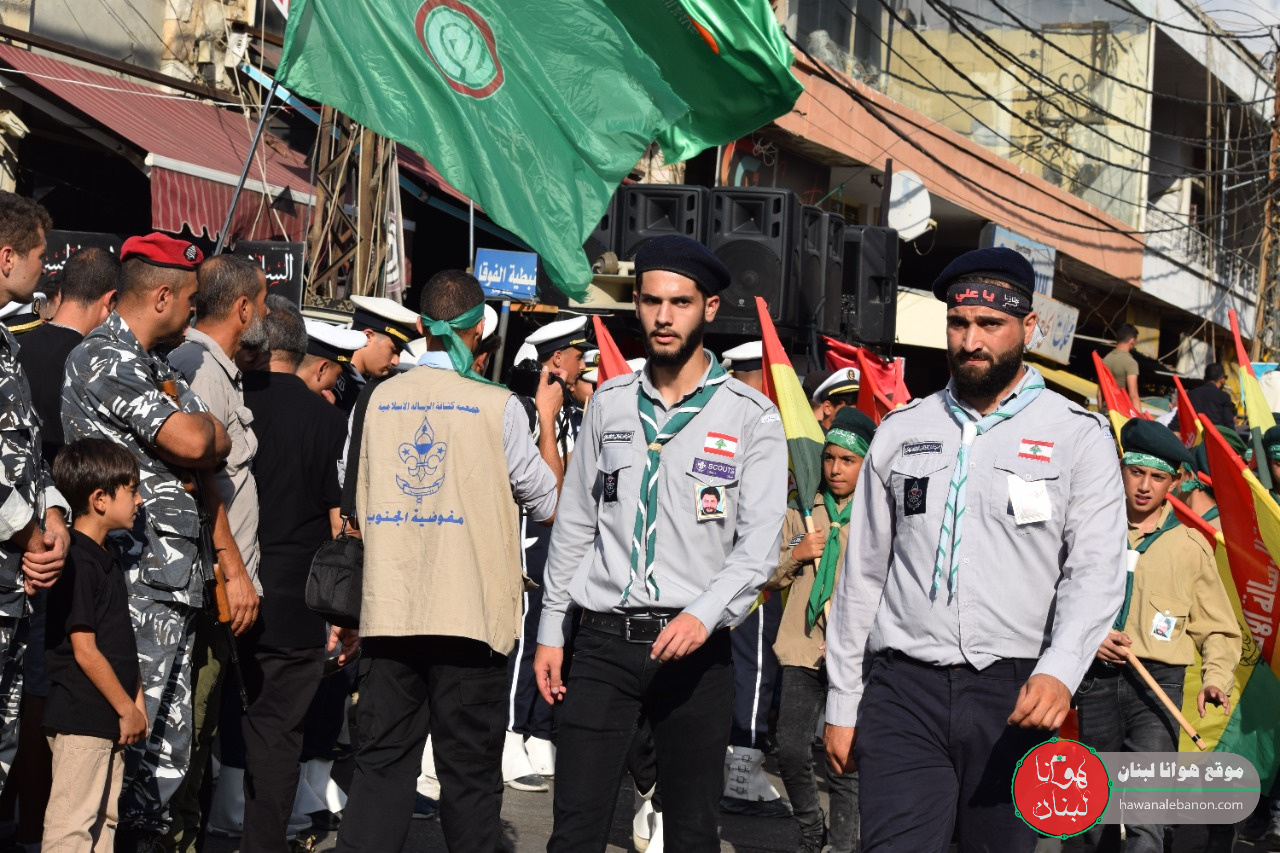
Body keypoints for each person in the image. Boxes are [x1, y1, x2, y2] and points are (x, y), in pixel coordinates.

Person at [822, 247, 1128, 852]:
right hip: (903, 691)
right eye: (958, 323)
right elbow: (863, 576)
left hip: (1015, 695)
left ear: (1028, 327)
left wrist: (1060, 672)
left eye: (990, 324)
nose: (971, 341)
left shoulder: (1078, 435)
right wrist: (843, 699)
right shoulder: (902, 429)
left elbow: (1094, 572)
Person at [534, 234, 788, 851]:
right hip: (602, 641)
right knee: (574, 827)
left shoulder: (751, 416)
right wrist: (550, 628)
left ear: (709, 307)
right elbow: (576, 523)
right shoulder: (609, 403)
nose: (664, 316)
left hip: (695, 650)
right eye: (651, 301)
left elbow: (757, 549)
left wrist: (704, 614)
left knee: (692, 832)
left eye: (680, 302)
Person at [335, 269, 562, 853]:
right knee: (470, 780)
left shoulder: (374, 400)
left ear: (419, 326)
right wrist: (546, 423)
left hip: (390, 612)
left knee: (381, 770)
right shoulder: (499, 406)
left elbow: (349, 493)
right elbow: (548, 503)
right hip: (471, 619)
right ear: (480, 329)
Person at [61, 232, 236, 849]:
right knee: (131, 745)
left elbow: (217, 440)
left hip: (172, 581)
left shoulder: (156, 367)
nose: (194, 313)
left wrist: (205, 435)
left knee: (168, 748)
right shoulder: (103, 358)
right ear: (162, 296)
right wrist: (203, 436)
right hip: (134, 582)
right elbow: (194, 441)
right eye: (190, 300)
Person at [1072, 419, 1240, 853]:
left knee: (1145, 816)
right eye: (1136, 472)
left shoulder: (1190, 546)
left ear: (1175, 483)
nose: (1145, 486)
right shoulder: (1087, 531)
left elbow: (1219, 627)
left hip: (1159, 689)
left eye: (1158, 477)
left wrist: (1215, 679)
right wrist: (1089, 637)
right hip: (1096, 681)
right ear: (1121, 469)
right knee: (1096, 816)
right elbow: (1056, 600)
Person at [8, 245, 118, 848]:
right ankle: (35, 827)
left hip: (36, 543)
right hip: (48, 551)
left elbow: (31, 456)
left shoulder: (18, 344)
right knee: (41, 689)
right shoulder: (93, 361)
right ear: (108, 302)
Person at [236, 320, 361, 852]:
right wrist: (345, 613)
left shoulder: (231, 401)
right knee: (278, 733)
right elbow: (342, 525)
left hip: (224, 586)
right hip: (296, 603)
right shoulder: (326, 420)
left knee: (210, 720)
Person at [166, 253, 268, 850]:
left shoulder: (218, 369)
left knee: (200, 736)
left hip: (220, 587)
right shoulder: (199, 369)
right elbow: (202, 485)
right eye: (263, 302)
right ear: (243, 308)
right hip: (207, 587)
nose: (266, 315)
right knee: (187, 735)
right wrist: (233, 571)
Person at [767, 406, 876, 853]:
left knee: (842, 758)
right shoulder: (802, 511)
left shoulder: (875, 515)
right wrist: (798, 553)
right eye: (829, 458)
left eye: (848, 460)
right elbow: (769, 574)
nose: (835, 469)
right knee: (791, 748)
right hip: (803, 644)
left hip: (853, 653)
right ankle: (813, 831)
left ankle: (844, 845)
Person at [0, 192, 72, 806]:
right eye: (40, 255)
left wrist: (51, 513)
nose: (45, 269)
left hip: (15, 584)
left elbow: (26, 448)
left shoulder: (8, 342)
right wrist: (30, 536)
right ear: (6, 258)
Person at [41, 438, 146, 853]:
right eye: (132, 490)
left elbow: (120, 642)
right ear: (100, 499)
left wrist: (135, 703)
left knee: (104, 825)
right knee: (71, 830)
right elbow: (84, 649)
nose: (140, 500)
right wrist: (126, 707)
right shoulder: (77, 562)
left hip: (109, 720)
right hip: (82, 718)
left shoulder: (107, 558)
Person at [717, 338, 790, 817]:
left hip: (733, 566)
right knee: (755, 667)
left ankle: (738, 764)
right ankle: (741, 773)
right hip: (749, 568)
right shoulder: (751, 422)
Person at [330, 295, 417, 412]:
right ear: (368, 337)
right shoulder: (333, 382)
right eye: (393, 350)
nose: (396, 362)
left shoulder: (356, 384)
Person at [1103, 323, 1142, 412]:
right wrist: (1140, 418)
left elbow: (1099, 393)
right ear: (1132, 341)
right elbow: (1133, 395)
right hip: (1121, 412)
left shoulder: (1105, 359)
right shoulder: (1130, 363)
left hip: (1105, 411)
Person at [1186, 363, 1237, 429]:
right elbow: (1229, 425)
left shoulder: (1191, 394)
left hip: (1195, 432)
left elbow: (1177, 424)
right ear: (1222, 379)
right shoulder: (1224, 397)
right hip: (1216, 433)